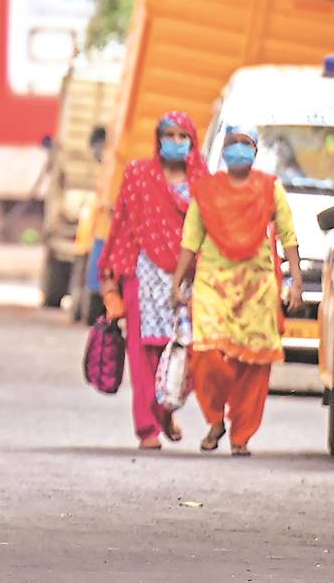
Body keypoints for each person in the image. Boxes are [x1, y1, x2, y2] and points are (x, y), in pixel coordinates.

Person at [171, 125, 304, 456]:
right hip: (212, 284)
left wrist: (296, 282)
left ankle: (241, 434)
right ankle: (215, 419)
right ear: (224, 149)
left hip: (257, 287)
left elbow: (288, 236)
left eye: (246, 143)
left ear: (256, 151)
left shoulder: (270, 189)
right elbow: (191, 239)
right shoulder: (206, 191)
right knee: (206, 355)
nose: (239, 149)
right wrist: (177, 282)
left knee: (253, 366)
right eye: (233, 143)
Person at [98, 111, 205, 449]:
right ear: (158, 139)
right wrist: (112, 278)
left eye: (181, 136)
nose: (174, 142)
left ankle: (164, 411)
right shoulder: (139, 175)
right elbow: (123, 225)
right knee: (142, 352)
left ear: (192, 141)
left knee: (184, 352)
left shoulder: (203, 181)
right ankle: (147, 428)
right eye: (168, 135)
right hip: (143, 274)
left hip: (189, 277)